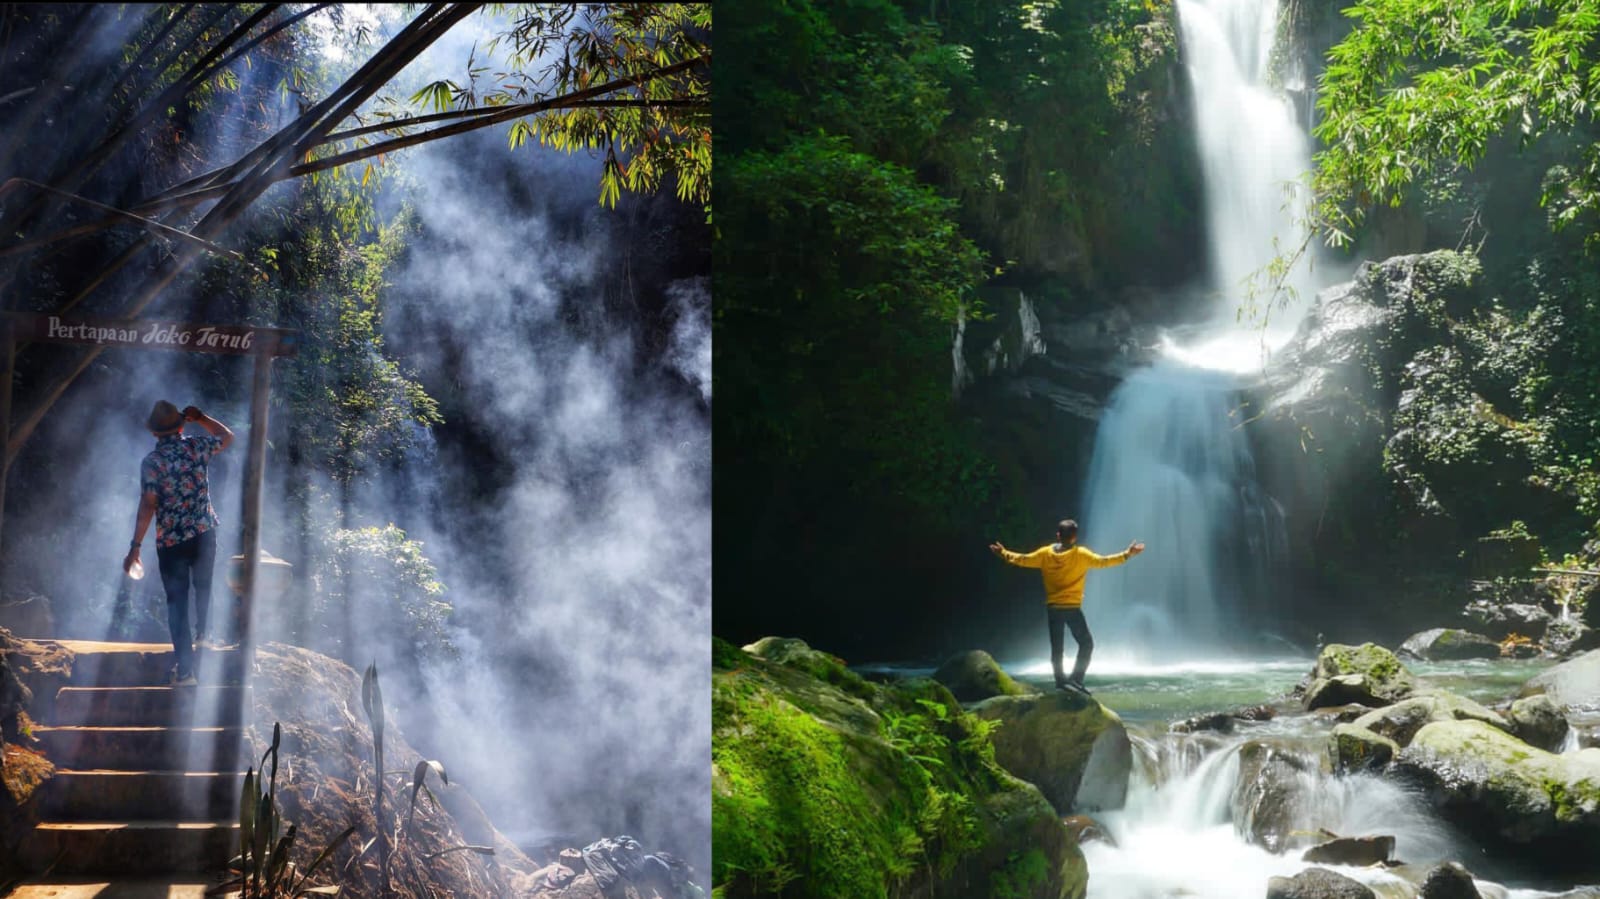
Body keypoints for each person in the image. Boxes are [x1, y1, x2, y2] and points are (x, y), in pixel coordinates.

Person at [122, 401, 233, 686]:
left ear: (155, 433)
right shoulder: (196, 446)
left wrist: (135, 546)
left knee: (177, 603)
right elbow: (227, 437)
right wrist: (204, 418)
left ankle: (185, 673)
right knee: (205, 584)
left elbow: (148, 503)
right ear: (182, 426)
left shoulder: (152, 462)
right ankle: (204, 636)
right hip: (204, 531)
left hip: (171, 540)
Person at [990, 519, 1144, 693]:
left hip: (1053, 608)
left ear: (1058, 535)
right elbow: (1104, 561)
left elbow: (1023, 559)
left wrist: (1003, 553)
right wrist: (1127, 554)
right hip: (1071, 608)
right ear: (1075, 537)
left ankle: (1061, 682)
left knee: (1057, 648)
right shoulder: (1081, 555)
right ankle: (1076, 679)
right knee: (1086, 644)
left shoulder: (1045, 554)